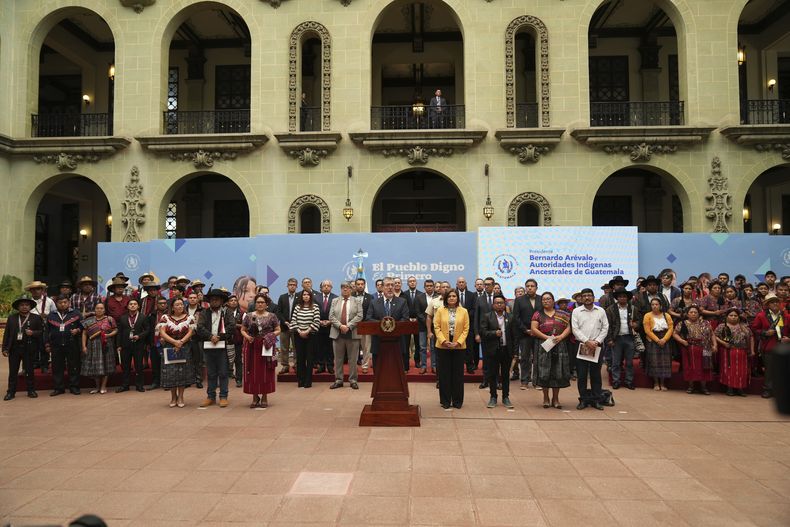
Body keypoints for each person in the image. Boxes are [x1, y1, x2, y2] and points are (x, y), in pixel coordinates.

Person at [531, 292, 572, 408]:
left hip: (560, 344)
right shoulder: (537, 314)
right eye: (543, 299)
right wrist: (547, 338)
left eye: (548, 299)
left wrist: (561, 337)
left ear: (553, 301)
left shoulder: (563, 314)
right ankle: (545, 397)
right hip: (543, 345)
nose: (546, 301)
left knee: (557, 371)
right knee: (544, 372)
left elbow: (569, 327)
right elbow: (533, 329)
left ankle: (556, 398)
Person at [196, 289, 235, 408]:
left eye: (217, 299)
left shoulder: (227, 312)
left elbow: (231, 326)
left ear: (222, 300)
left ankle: (223, 396)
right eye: (212, 299)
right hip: (208, 346)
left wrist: (219, 336)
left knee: (223, 372)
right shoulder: (204, 312)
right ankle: (210, 397)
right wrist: (210, 336)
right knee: (211, 373)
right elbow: (200, 327)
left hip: (222, 346)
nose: (214, 301)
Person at [571, 288, 609, 410]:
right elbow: (575, 329)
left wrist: (597, 341)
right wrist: (587, 341)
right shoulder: (576, 311)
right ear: (581, 298)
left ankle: (596, 400)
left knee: (595, 374)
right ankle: (583, 400)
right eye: (584, 296)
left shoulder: (601, 311)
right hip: (582, 345)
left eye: (589, 295)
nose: (587, 298)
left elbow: (605, 328)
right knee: (582, 375)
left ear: (593, 297)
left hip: (597, 346)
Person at [241, 293, 280, 407]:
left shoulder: (272, 316)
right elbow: (243, 330)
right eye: (258, 302)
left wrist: (270, 336)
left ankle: (264, 397)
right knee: (252, 371)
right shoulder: (248, 316)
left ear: (266, 304)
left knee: (265, 371)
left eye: (262, 302)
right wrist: (247, 337)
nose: (260, 304)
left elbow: (278, 329)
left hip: (266, 346)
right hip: (252, 346)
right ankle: (254, 397)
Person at [433, 289, 470, 409]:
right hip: (443, 347)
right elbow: (436, 327)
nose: (452, 298)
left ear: (458, 298)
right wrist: (443, 341)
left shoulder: (464, 311)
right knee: (444, 375)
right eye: (449, 296)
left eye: (454, 296)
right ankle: (445, 401)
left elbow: (466, 329)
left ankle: (457, 401)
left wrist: (458, 342)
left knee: (457, 375)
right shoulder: (440, 310)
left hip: (459, 347)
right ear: (446, 298)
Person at [3, 297, 43, 400]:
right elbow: (7, 334)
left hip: (29, 348)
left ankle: (31, 390)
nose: (24, 307)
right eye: (22, 305)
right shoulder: (12, 318)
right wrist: (5, 348)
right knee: (13, 371)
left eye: (26, 305)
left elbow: (42, 332)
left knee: (29, 370)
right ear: (18, 307)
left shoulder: (36, 318)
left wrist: (33, 333)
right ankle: (11, 392)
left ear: (30, 307)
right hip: (14, 349)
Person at [751, 294, 790, 398]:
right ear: (767, 305)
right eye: (772, 302)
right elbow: (754, 329)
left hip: (784, 347)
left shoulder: (786, 316)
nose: (775, 304)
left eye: (777, 302)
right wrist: (765, 333)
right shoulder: (761, 315)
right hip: (769, 346)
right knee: (769, 369)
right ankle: (768, 389)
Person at [366, 276, 409, 370]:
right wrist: (383, 324)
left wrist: (392, 325)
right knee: (378, 371)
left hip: (397, 342)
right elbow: (369, 319)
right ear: (382, 287)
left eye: (392, 285)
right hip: (378, 342)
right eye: (387, 285)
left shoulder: (402, 302)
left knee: (396, 371)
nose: (390, 287)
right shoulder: (374, 302)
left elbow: (405, 319)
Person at [159, 298, 195, 408]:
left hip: (184, 346)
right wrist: (174, 342)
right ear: (172, 307)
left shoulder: (190, 318)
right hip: (170, 347)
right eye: (177, 304)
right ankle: (173, 397)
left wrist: (181, 342)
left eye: (181, 304)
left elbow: (191, 332)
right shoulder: (165, 318)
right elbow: (162, 332)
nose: (180, 306)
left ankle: (181, 397)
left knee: (182, 372)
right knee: (171, 372)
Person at [480, 295, 515, 408]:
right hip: (492, 350)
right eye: (497, 303)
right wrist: (494, 333)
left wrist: (515, 351)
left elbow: (515, 335)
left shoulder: (510, 317)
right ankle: (493, 397)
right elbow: (483, 333)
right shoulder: (487, 316)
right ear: (493, 305)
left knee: (505, 375)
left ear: (505, 304)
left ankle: (506, 397)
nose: (499, 305)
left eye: (501, 303)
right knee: (492, 375)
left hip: (506, 350)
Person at [673, 305, 715, 395]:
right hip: (690, 348)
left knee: (705, 368)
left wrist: (715, 345)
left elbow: (712, 334)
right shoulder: (682, 323)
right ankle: (691, 386)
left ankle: (703, 387)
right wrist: (682, 341)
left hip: (705, 348)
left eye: (695, 312)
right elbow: (675, 334)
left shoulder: (706, 323)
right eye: (691, 312)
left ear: (698, 314)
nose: (693, 314)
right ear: (687, 314)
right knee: (690, 367)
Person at [329, 282, 363, 389]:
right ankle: (339, 380)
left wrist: (348, 326)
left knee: (352, 359)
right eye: (343, 287)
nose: (345, 289)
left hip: (352, 333)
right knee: (338, 359)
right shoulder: (335, 301)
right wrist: (340, 326)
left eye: (347, 287)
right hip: (337, 333)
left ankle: (353, 380)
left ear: (351, 289)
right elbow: (331, 316)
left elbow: (360, 315)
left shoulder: (356, 301)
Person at [46, 295, 83, 396]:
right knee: (57, 366)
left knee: (74, 365)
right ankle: (59, 388)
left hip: (72, 344)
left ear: (69, 303)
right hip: (56, 345)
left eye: (65, 302)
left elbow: (83, 326)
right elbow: (47, 331)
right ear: (56, 304)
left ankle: (74, 387)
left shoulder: (76, 313)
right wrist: (47, 344)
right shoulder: (51, 315)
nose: (63, 304)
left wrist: (78, 330)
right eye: (60, 302)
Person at [715, 307, 754, 396]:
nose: (733, 317)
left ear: (738, 317)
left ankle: (740, 388)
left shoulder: (744, 327)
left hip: (742, 352)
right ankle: (730, 388)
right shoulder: (722, 326)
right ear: (727, 317)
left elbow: (751, 337)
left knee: (741, 371)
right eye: (731, 315)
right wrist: (723, 343)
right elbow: (714, 336)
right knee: (729, 370)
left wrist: (752, 350)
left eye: (735, 316)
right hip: (727, 351)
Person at [605, 287, 638, 390]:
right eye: (620, 296)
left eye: (624, 296)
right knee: (615, 362)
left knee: (629, 362)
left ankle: (629, 381)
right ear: (617, 298)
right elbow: (608, 326)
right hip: (616, 339)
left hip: (630, 338)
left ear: (628, 298)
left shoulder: (633, 309)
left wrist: (636, 324)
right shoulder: (610, 309)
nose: (622, 298)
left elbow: (639, 322)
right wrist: (609, 339)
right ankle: (616, 381)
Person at [80, 302, 117, 395]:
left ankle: (103, 386)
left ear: (104, 310)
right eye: (97, 308)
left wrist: (108, 335)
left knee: (105, 366)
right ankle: (97, 387)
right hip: (93, 345)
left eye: (101, 308)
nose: (99, 310)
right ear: (94, 310)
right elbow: (84, 333)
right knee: (95, 366)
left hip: (106, 344)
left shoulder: (110, 319)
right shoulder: (89, 320)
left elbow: (116, 330)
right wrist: (84, 346)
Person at [113, 298, 149, 393]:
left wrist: (139, 336)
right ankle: (125, 385)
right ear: (128, 306)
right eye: (131, 304)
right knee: (125, 366)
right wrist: (118, 345)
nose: (133, 305)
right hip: (125, 345)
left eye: (135, 304)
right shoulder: (123, 317)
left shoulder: (143, 317)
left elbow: (147, 330)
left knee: (138, 366)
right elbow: (119, 332)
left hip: (138, 344)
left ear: (138, 306)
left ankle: (139, 385)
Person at [512, 278, 540, 389]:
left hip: (539, 334)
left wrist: (537, 330)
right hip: (524, 333)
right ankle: (524, 381)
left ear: (536, 288)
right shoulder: (519, 300)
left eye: (532, 286)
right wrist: (526, 330)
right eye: (527, 286)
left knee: (537, 358)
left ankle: (537, 381)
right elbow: (516, 317)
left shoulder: (541, 299)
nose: (529, 287)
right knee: (525, 358)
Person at [643, 297, 674, 391]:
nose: (654, 306)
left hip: (665, 340)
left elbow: (671, 328)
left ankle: (663, 383)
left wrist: (664, 339)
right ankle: (656, 383)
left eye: (656, 304)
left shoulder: (667, 315)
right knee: (654, 362)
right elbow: (647, 330)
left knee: (665, 362)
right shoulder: (647, 315)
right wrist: (657, 340)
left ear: (660, 305)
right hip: (653, 340)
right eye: (652, 304)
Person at [292, 289, 320, 388]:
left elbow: (316, 321)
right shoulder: (297, 307)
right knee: (300, 358)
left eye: (308, 294)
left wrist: (307, 331)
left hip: (310, 336)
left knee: (309, 358)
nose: (306, 296)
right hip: (298, 335)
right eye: (304, 294)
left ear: (311, 296)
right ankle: (301, 380)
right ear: (301, 296)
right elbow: (293, 320)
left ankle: (308, 381)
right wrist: (300, 331)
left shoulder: (315, 307)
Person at [276, 278, 299, 374]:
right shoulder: (282, 297)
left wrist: (295, 322)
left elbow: (301, 311)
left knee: (296, 347)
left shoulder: (300, 297)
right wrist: (284, 322)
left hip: (296, 327)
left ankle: (297, 365)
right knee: (284, 347)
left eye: (294, 284)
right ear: (287, 286)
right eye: (290, 284)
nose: (292, 286)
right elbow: (279, 312)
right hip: (284, 326)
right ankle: (285, 365)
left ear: (297, 286)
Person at [405, 276, 427, 371]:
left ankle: (417, 361)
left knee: (418, 343)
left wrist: (418, 318)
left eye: (414, 281)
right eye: (410, 281)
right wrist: (408, 318)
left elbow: (422, 310)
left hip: (419, 322)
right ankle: (406, 362)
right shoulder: (404, 294)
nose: (412, 283)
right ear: (407, 283)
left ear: (416, 283)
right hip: (407, 322)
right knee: (406, 343)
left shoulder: (421, 294)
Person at [315, 280, 337, 374]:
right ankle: (321, 366)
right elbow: (313, 310)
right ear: (321, 287)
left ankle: (330, 365)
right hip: (319, 326)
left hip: (331, 326)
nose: (326, 287)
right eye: (324, 285)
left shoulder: (336, 298)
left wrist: (330, 321)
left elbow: (337, 312)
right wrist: (318, 321)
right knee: (319, 347)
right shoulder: (316, 297)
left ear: (331, 287)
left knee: (330, 347)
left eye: (328, 286)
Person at [354, 278, 375, 373]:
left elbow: (372, 312)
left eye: (362, 284)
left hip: (366, 326)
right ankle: (353, 367)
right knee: (353, 347)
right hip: (354, 326)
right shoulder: (351, 296)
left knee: (366, 347)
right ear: (355, 285)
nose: (360, 286)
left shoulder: (370, 297)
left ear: (364, 285)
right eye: (358, 284)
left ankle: (365, 366)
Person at [148, 295, 168, 389]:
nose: (163, 305)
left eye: (164, 303)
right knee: (155, 363)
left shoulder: (170, 314)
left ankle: (167, 382)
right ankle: (156, 382)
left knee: (167, 363)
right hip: (154, 342)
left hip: (167, 342)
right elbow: (149, 329)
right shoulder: (152, 315)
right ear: (157, 304)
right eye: (161, 303)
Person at [226, 294, 244, 388]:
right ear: (228, 303)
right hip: (226, 339)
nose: (233, 302)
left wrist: (235, 325)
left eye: (235, 300)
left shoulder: (242, 313)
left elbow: (245, 326)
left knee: (238, 360)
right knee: (225, 360)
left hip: (238, 340)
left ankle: (239, 379)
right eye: (231, 300)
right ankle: (224, 378)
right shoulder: (224, 313)